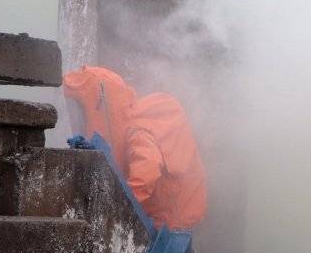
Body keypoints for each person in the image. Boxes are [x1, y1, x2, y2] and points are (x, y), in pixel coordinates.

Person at [62, 65, 207, 231]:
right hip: (163, 220)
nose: (80, 115)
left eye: (82, 108)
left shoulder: (137, 130)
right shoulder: (126, 126)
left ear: (100, 105)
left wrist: (115, 209)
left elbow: (147, 171)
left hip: (173, 226)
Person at [124, 91, 208, 230]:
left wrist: (121, 203)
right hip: (190, 210)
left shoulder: (139, 130)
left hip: (167, 222)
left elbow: (146, 171)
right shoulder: (169, 123)